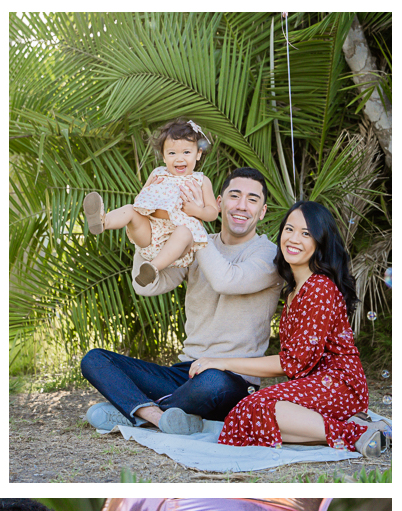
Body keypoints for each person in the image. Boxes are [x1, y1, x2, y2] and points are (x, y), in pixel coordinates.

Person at [81, 168, 282, 435]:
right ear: (219, 204)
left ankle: (133, 411)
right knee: (95, 360)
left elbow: (227, 280)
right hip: (185, 373)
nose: (242, 206)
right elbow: (148, 285)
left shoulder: (269, 254)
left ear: (263, 211)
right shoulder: (194, 241)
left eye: (252, 199)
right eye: (235, 196)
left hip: (231, 378)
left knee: (212, 384)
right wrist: (147, 223)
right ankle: (154, 416)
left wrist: (192, 226)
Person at [195, 201, 390, 459]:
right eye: (289, 229)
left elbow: (293, 363)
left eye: (306, 233)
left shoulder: (319, 287)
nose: (294, 239)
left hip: (339, 384)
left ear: (320, 241)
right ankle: (355, 427)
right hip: (313, 386)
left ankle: (354, 433)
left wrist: (221, 363)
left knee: (254, 408)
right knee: (247, 418)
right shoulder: (293, 291)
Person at [83, 119, 218, 287]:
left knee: (184, 232)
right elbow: (140, 202)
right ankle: (103, 221)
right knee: (130, 209)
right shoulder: (158, 174)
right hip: (150, 236)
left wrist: (197, 211)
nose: (179, 159)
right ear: (163, 156)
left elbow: (213, 212)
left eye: (186, 152)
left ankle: (152, 269)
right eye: (172, 153)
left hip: (178, 247)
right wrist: (152, 192)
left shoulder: (201, 181)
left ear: (198, 154)